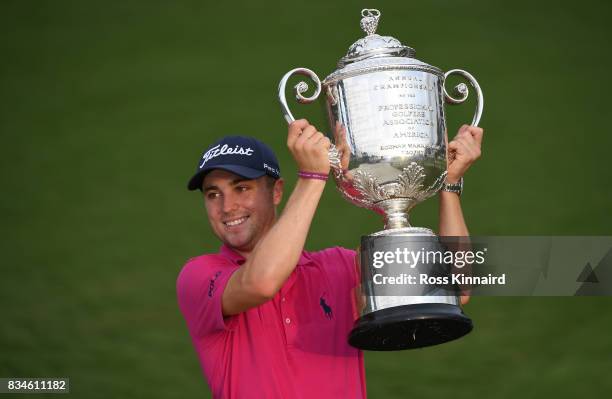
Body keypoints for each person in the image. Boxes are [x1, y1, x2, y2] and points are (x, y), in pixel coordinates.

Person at [177, 120, 484, 399]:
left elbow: (455, 287)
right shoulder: (199, 276)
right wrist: (312, 177)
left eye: (241, 188)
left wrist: (449, 184)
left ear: (276, 192)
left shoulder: (337, 267)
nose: (227, 206)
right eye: (213, 194)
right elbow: (262, 282)